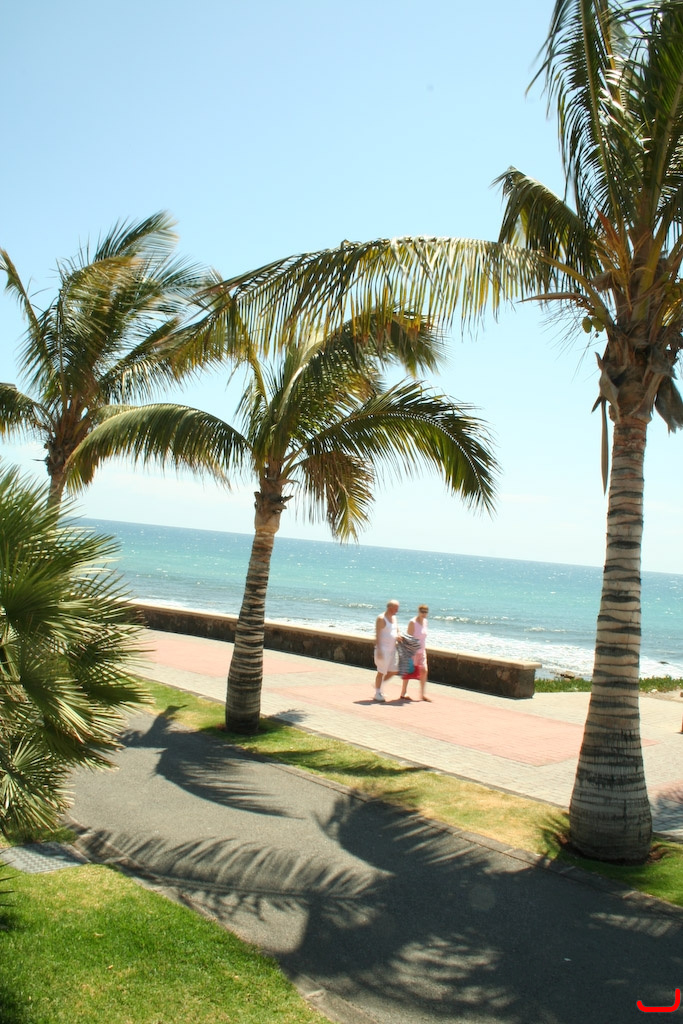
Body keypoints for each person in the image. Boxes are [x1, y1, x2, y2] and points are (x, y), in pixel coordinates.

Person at [400, 604, 431, 701]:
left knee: (424, 670)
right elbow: (408, 638)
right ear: (418, 611)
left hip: (422, 651)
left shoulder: (425, 622)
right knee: (409, 671)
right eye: (422, 611)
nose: (424, 613)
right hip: (412, 651)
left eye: (425, 612)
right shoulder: (412, 622)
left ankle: (422, 694)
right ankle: (403, 692)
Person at [373, 599, 400, 702]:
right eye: (395, 608)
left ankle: (379, 686)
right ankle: (377, 693)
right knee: (381, 672)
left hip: (392, 650)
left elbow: (397, 630)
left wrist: (399, 635)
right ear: (389, 608)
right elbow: (377, 635)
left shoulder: (394, 618)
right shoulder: (381, 618)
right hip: (383, 650)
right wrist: (379, 650)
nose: (397, 610)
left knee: (394, 670)